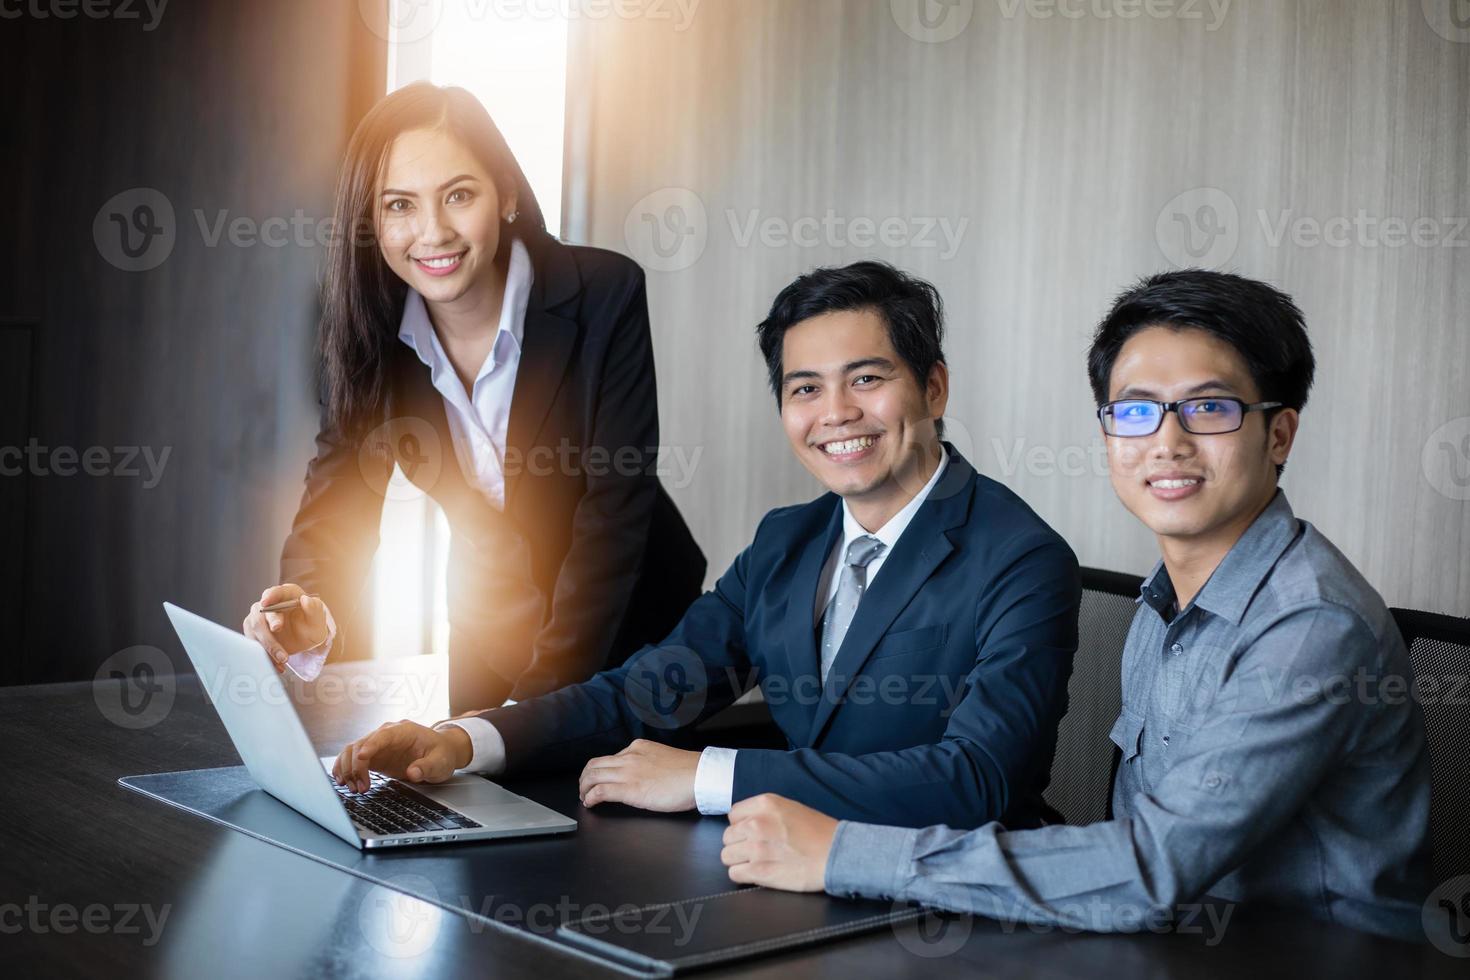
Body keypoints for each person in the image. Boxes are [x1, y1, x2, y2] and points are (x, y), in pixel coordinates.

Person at [720, 269, 1434, 941]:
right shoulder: (1168, 600)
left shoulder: (1309, 625)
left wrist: (844, 853)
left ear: (1278, 434)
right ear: (1107, 434)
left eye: (1209, 408)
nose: (1168, 443)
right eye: (1136, 412)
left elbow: (1152, 867)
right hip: (1156, 945)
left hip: (1307, 959)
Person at [332, 261, 1081, 830]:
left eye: (868, 378)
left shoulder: (1021, 558)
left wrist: (707, 778)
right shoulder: (788, 542)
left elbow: (978, 779)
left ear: (935, 389)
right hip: (786, 876)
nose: (838, 413)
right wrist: (463, 741)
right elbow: (644, 690)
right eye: (806, 389)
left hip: (951, 908)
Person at [240, 82, 705, 713]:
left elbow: (613, 517)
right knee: (481, 807)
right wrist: (305, 609)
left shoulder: (604, 293)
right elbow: (337, 502)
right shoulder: (368, 331)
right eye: (399, 205)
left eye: (458, 195)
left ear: (506, 193)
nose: (433, 233)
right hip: (491, 629)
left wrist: (535, 717)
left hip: (634, 630)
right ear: (371, 222)